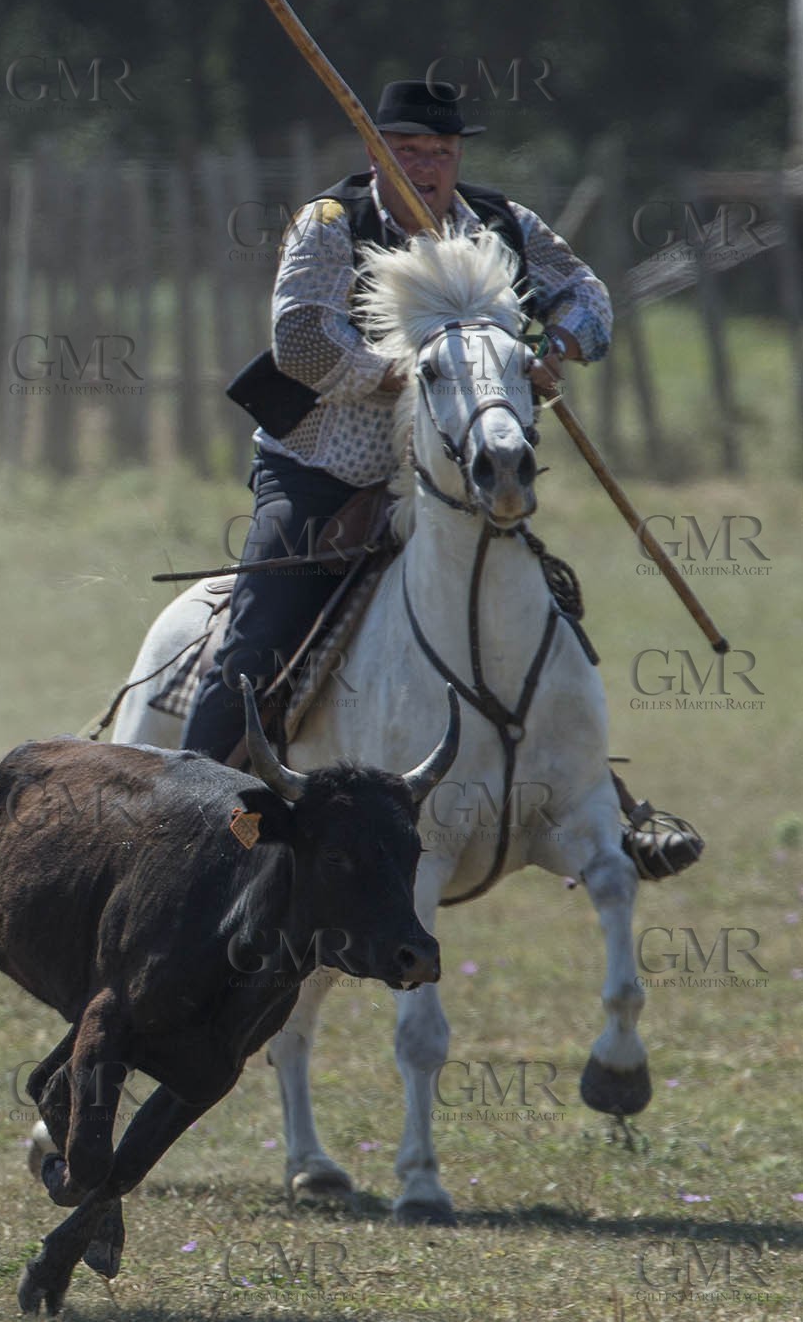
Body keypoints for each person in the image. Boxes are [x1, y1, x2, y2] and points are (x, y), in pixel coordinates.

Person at [181, 78, 699, 880]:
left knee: (542, 610)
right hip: (327, 470)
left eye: (442, 152)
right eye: (410, 151)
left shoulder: (500, 224)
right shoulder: (330, 224)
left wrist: (553, 348)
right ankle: (194, 820)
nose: (427, 166)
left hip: (458, 475)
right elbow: (300, 341)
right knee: (255, 638)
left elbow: (587, 294)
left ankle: (600, 801)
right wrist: (400, 376)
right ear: (375, 151)